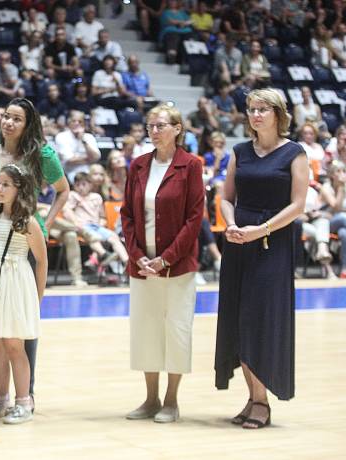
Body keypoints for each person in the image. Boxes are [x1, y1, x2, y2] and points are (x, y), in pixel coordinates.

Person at [215, 88, 309, 429]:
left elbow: (298, 205)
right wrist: (233, 223)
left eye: (262, 109)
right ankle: (255, 397)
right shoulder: (240, 151)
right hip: (240, 242)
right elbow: (226, 197)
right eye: (251, 109)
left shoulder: (294, 153)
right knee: (239, 321)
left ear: (278, 114)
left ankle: (261, 401)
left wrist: (262, 229)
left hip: (274, 243)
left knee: (261, 320)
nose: (255, 115)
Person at [0, 97, 69, 411]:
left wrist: (45, 223)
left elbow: (63, 189)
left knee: (19, 320)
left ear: (28, 124)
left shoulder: (41, 154)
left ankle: (28, 393)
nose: (9, 123)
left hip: (21, 239)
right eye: (6, 117)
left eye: (17, 119)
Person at [120, 104, 204, 423]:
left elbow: (195, 218)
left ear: (177, 129)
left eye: (161, 125)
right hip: (142, 267)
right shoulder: (138, 165)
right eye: (150, 126)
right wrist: (137, 255)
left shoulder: (190, 165)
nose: (154, 131)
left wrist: (166, 258)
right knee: (146, 331)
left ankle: (171, 400)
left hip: (178, 267)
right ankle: (150, 398)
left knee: (177, 330)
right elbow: (127, 215)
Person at [0, 164, 47, 425]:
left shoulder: (27, 221)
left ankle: (24, 401)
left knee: (14, 345)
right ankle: (1, 399)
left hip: (15, 285)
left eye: (6, 184)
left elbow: (41, 260)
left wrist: (37, 298)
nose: (0, 188)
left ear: (19, 189)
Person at [65, 169, 129, 268]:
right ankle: (104, 255)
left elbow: (102, 217)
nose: (81, 187)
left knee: (113, 237)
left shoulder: (96, 197)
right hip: (82, 226)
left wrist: (101, 224)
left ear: (90, 185)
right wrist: (76, 223)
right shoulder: (73, 195)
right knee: (94, 237)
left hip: (96, 226)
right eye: (77, 185)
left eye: (83, 184)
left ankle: (127, 263)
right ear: (74, 186)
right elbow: (67, 211)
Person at [319, 160, 346, 278]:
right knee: (343, 217)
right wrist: (340, 189)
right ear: (332, 175)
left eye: (344, 171)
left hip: (342, 223)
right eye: (339, 171)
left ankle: (345, 269)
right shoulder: (326, 187)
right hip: (325, 224)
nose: (343, 173)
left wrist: (344, 214)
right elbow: (335, 206)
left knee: (344, 233)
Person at [55, 110, 101, 183]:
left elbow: (96, 157)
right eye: (74, 121)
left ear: (84, 124)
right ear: (69, 122)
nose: (77, 123)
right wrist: (89, 159)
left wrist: (83, 140)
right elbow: (70, 161)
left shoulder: (89, 137)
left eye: (80, 121)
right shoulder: (61, 136)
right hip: (68, 173)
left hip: (88, 173)